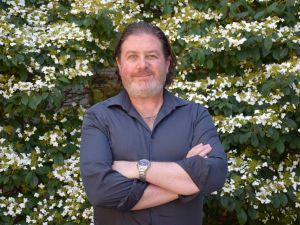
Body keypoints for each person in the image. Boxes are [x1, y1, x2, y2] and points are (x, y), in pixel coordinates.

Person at [80, 22, 227, 225]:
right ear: (119, 65)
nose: (142, 65)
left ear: (167, 63)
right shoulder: (98, 118)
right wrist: (186, 183)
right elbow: (100, 190)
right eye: (132, 57)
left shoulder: (195, 115)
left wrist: (138, 168)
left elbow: (214, 174)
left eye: (151, 56)